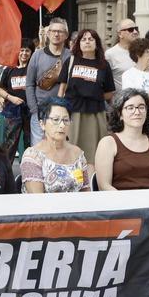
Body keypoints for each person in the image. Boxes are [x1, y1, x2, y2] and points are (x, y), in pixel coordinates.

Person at [57, 28, 114, 171]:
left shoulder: (103, 65)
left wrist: (94, 94)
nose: (87, 42)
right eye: (83, 39)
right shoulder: (70, 61)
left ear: (97, 43)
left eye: (91, 39)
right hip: (73, 113)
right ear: (78, 43)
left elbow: (110, 93)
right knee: (72, 149)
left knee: (94, 153)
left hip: (96, 114)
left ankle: (91, 185)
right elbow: (61, 90)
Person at [95, 89, 149, 190]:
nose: (137, 112)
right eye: (130, 108)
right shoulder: (107, 143)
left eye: (141, 107)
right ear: (119, 114)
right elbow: (104, 186)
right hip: (120, 203)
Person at [21, 98, 92, 193]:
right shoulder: (33, 156)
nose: (62, 125)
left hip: (77, 207)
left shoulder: (77, 153)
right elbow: (37, 200)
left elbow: (86, 192)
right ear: (42, 124)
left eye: (66, 120)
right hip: (45, 207)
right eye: (55, 120)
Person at [25, 17, 70, 145]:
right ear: (48, 33)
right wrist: (34, 109)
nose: (56, 34)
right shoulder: (37, 55)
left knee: (60, 147)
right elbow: (29, 84)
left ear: (66, 35)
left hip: (62, 111)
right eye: (53, 31)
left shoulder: (71, 56)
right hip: (40, 110)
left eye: (60, 31)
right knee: (39, 147)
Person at [0, 44, 32, 162]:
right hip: (12, 110)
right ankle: (6, 173)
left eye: (27, 50)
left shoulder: (32, 68)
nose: (24, 53)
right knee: (10, 143)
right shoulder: (9, 69)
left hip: (30, 109)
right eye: (21, 50)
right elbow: (0, 89)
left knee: (30, 142)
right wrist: (11, 98)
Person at [105, 17, 139, 89]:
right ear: (120, 34)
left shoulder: (142, 51)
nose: (135, 32)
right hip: (121, 98)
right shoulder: (110, 54)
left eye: (136, 28)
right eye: (130, 30)